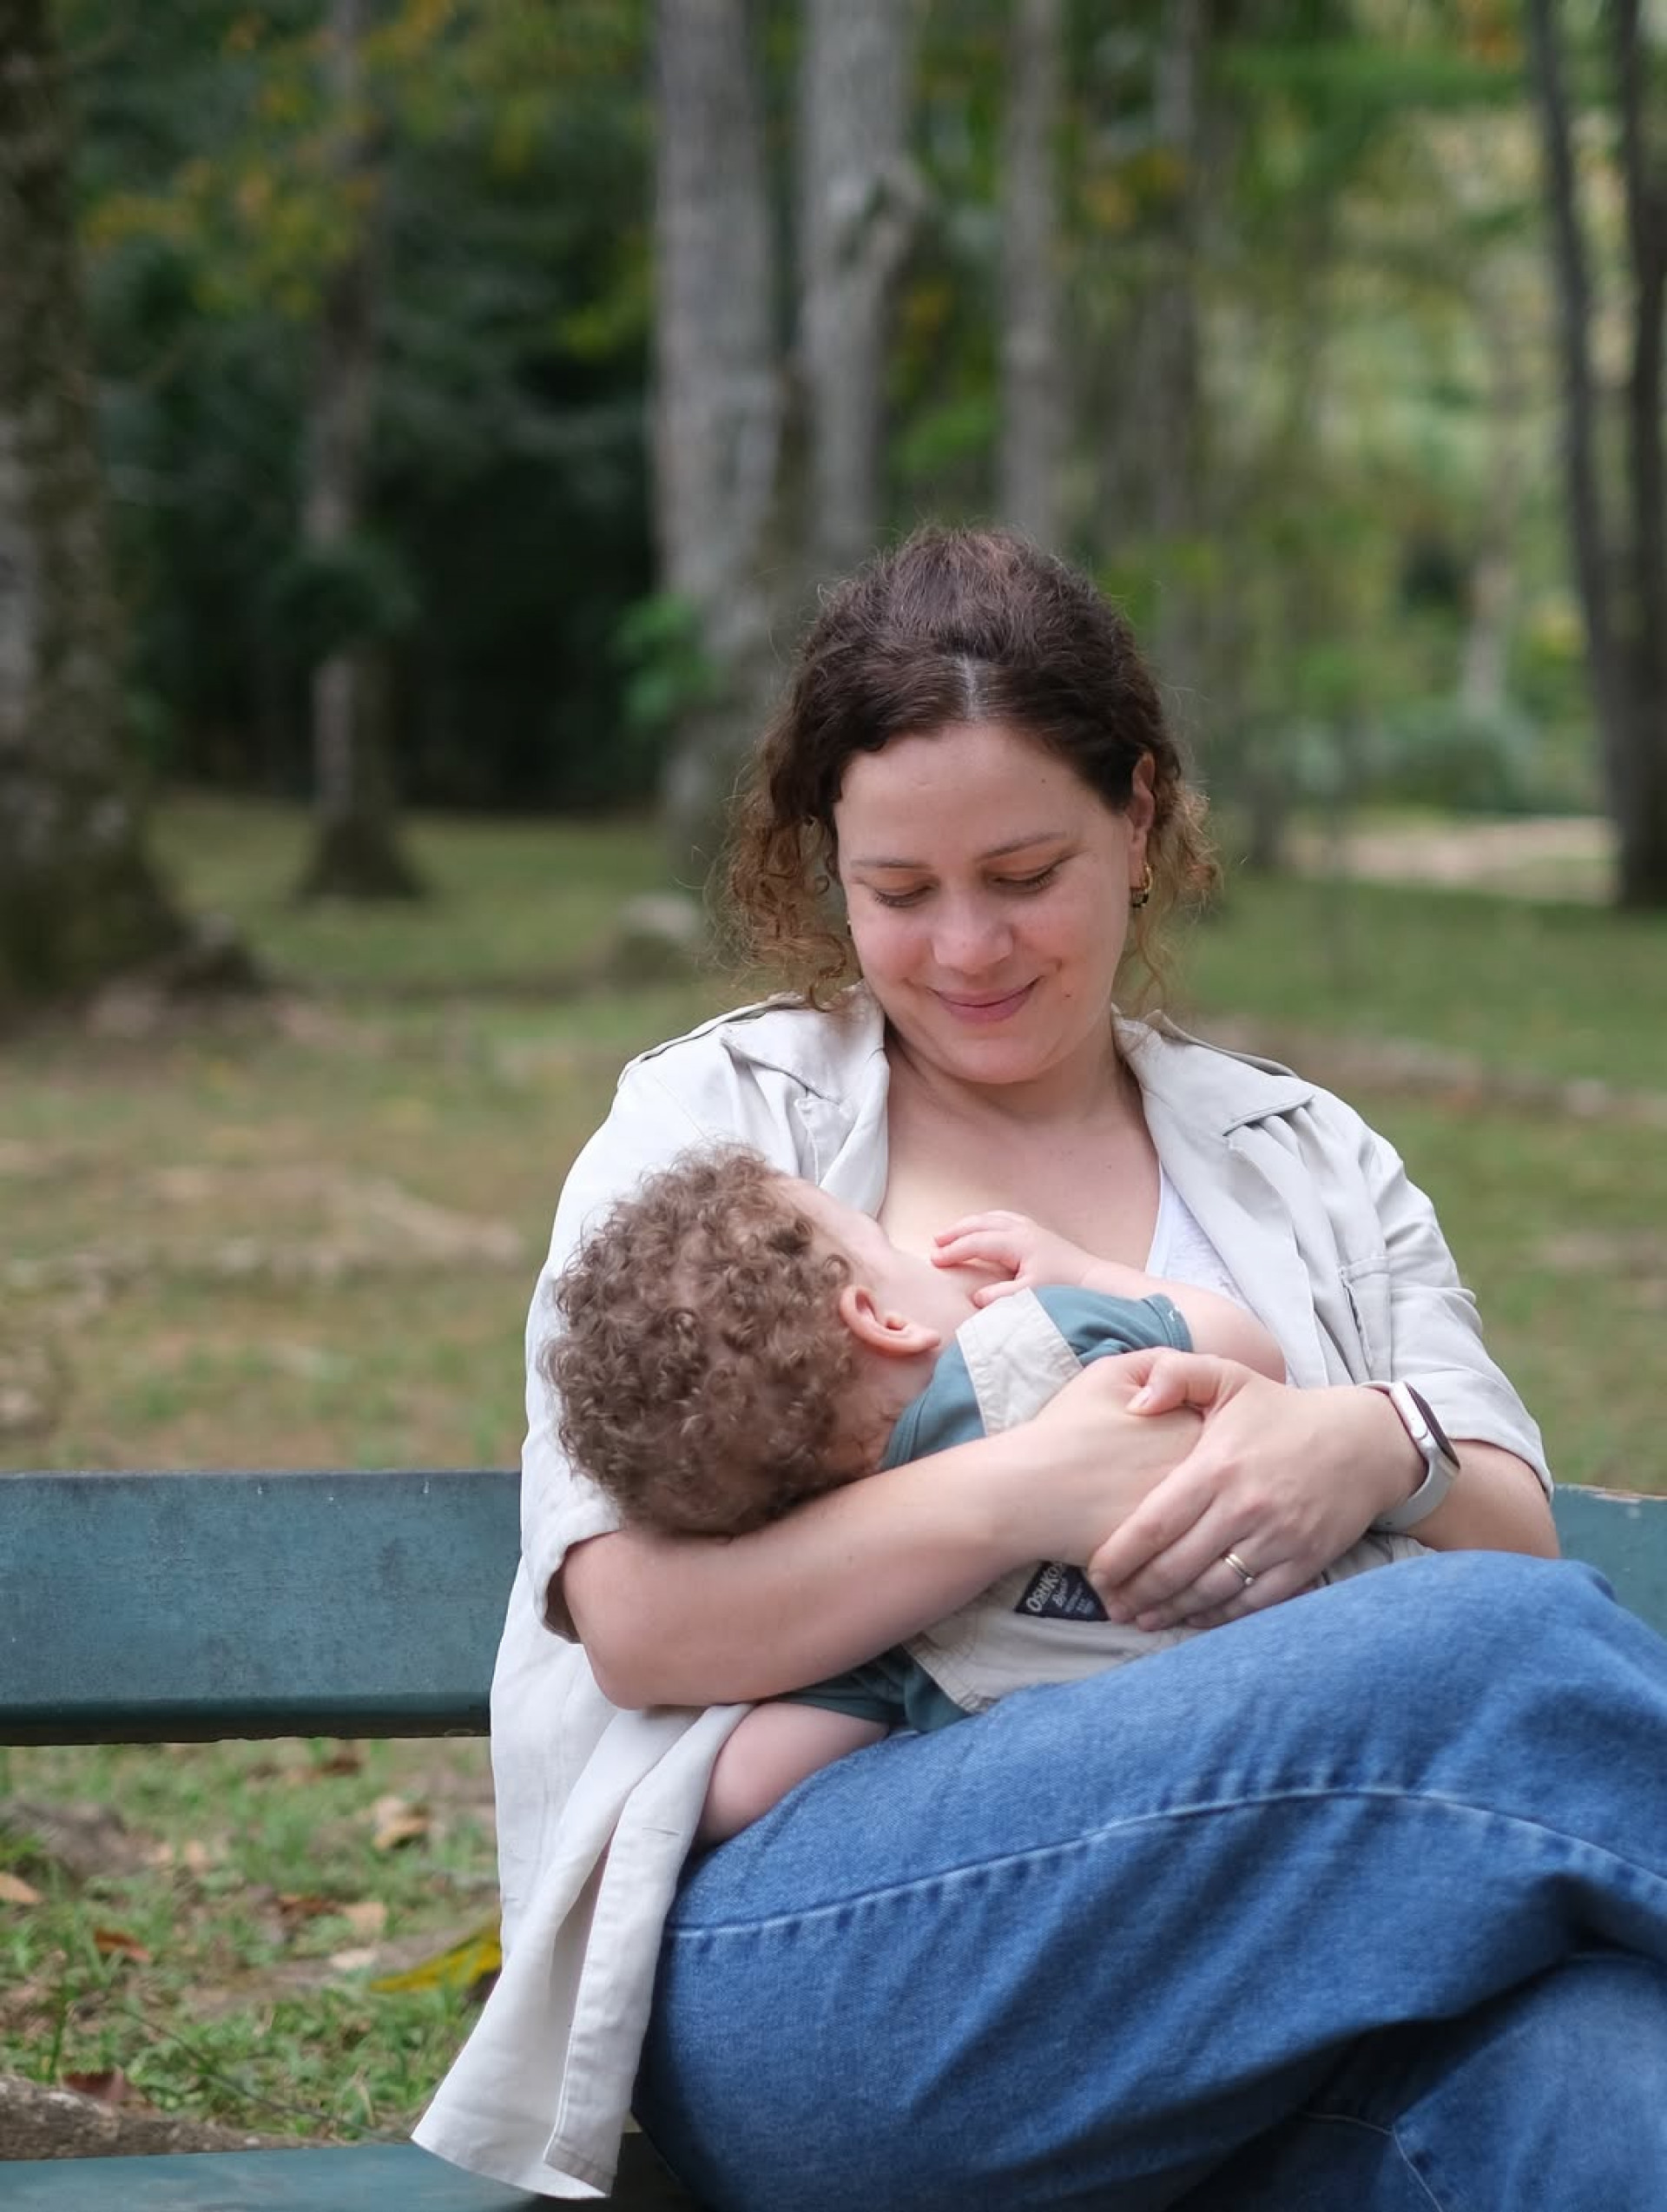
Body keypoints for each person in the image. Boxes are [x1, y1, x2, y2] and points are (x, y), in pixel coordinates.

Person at [417, 526, 1667, 2209]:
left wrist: (1367, 1442)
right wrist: (1037, 1484)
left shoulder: (1304, 1154)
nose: (967, 948)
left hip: (1275, 1959)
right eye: (899, 891)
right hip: (836, 1956)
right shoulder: (718, 1128)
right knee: (1505, 1667)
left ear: (1139, 819)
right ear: (830, 865)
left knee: (1608, 2075)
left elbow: (1510, 1527)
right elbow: (637, 1618)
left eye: (1023, 875)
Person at [546, 1146, 1423, 1846]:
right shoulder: (1050, 1334)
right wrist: (1090, 1272)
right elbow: (1250, 1351)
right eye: (888, 1245)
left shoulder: (876, 1621)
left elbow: (741, 1787)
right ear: (882, 1319)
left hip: (1132, 1821)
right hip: (1319, 1691)